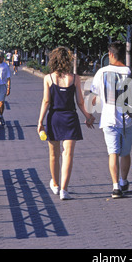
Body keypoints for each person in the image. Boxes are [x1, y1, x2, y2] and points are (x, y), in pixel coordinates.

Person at [37, 46, 95, 200]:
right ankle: (64, 189)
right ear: (68, 60)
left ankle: (55, 184)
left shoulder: (48, 78)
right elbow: (80, 102)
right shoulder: (75, 78)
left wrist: (40, 121)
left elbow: (46, 101)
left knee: (54, 154)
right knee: (68, 154)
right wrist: (88, 116)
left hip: (54, 118)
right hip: (70, 118)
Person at [90, 41, 132, 199]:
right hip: (128, 119)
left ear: (110, 54)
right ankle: (124, 181)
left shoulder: (102, 72)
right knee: (125, 153)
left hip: (109, 119)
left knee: (112, 153)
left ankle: (115, 187)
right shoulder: (130, 71)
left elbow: (94, 93)